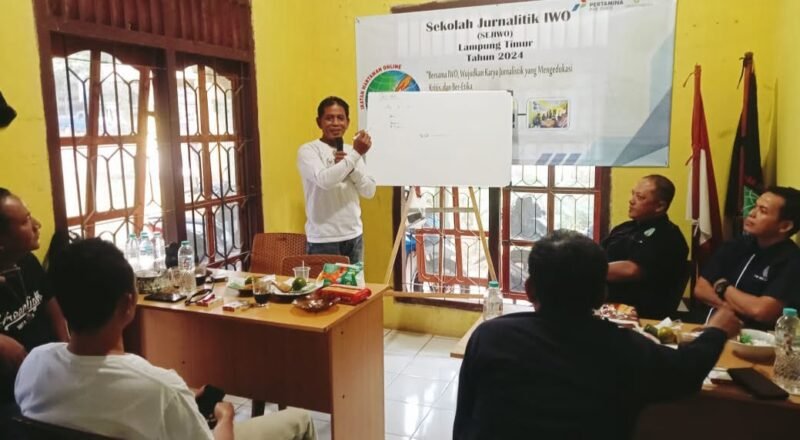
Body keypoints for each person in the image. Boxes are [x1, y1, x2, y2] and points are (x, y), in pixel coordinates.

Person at [15, 238, 316, 440]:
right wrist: (225, 417)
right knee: (301, 419)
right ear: (128, 303)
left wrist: (183, 397)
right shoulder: (160, 388)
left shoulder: (33, 365)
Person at [453, 230, 741, 440]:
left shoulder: (491, 336)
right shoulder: (628, 349)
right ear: (602, 293)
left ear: (529, 290)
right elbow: (687, 372)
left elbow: (465, 416)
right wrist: (717, 330)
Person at [0, 188, 68, 431]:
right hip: (12, 398)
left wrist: (68, 351)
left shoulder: (28, 262)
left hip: (48, 378)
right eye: (26, 221)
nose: (37, 225)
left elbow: (51, 304)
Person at [694, 186, 800, 330]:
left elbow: (761, 311)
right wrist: (727, 310)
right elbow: (701, 288)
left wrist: (723, 287)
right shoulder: (736, 244)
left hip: (754, 342)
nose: (751, 213)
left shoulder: (792, 260)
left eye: (763, 211)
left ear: (785, 226)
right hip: (708, 330)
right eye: (755, 206)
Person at [297, 96, 376, 264]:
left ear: (347, 122)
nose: (335, 123)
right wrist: (355, 155)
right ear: (319, 122)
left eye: (340, 118)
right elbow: (325, 181)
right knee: (325, 290)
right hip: (322, 239)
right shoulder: (308, 150)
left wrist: (351, 167)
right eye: (329, 118)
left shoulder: (352, 152)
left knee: (354, 290)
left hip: (354, 235)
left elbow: (369, 191)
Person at [601, 175, 688, 318]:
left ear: (660, 206)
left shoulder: (668, 236)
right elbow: (598, 254)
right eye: (633, 194)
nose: (631, 200)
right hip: (605, 306)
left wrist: (587, 270)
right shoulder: (624, 228)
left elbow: (632, 270)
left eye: (640, 197)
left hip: (639, 315)